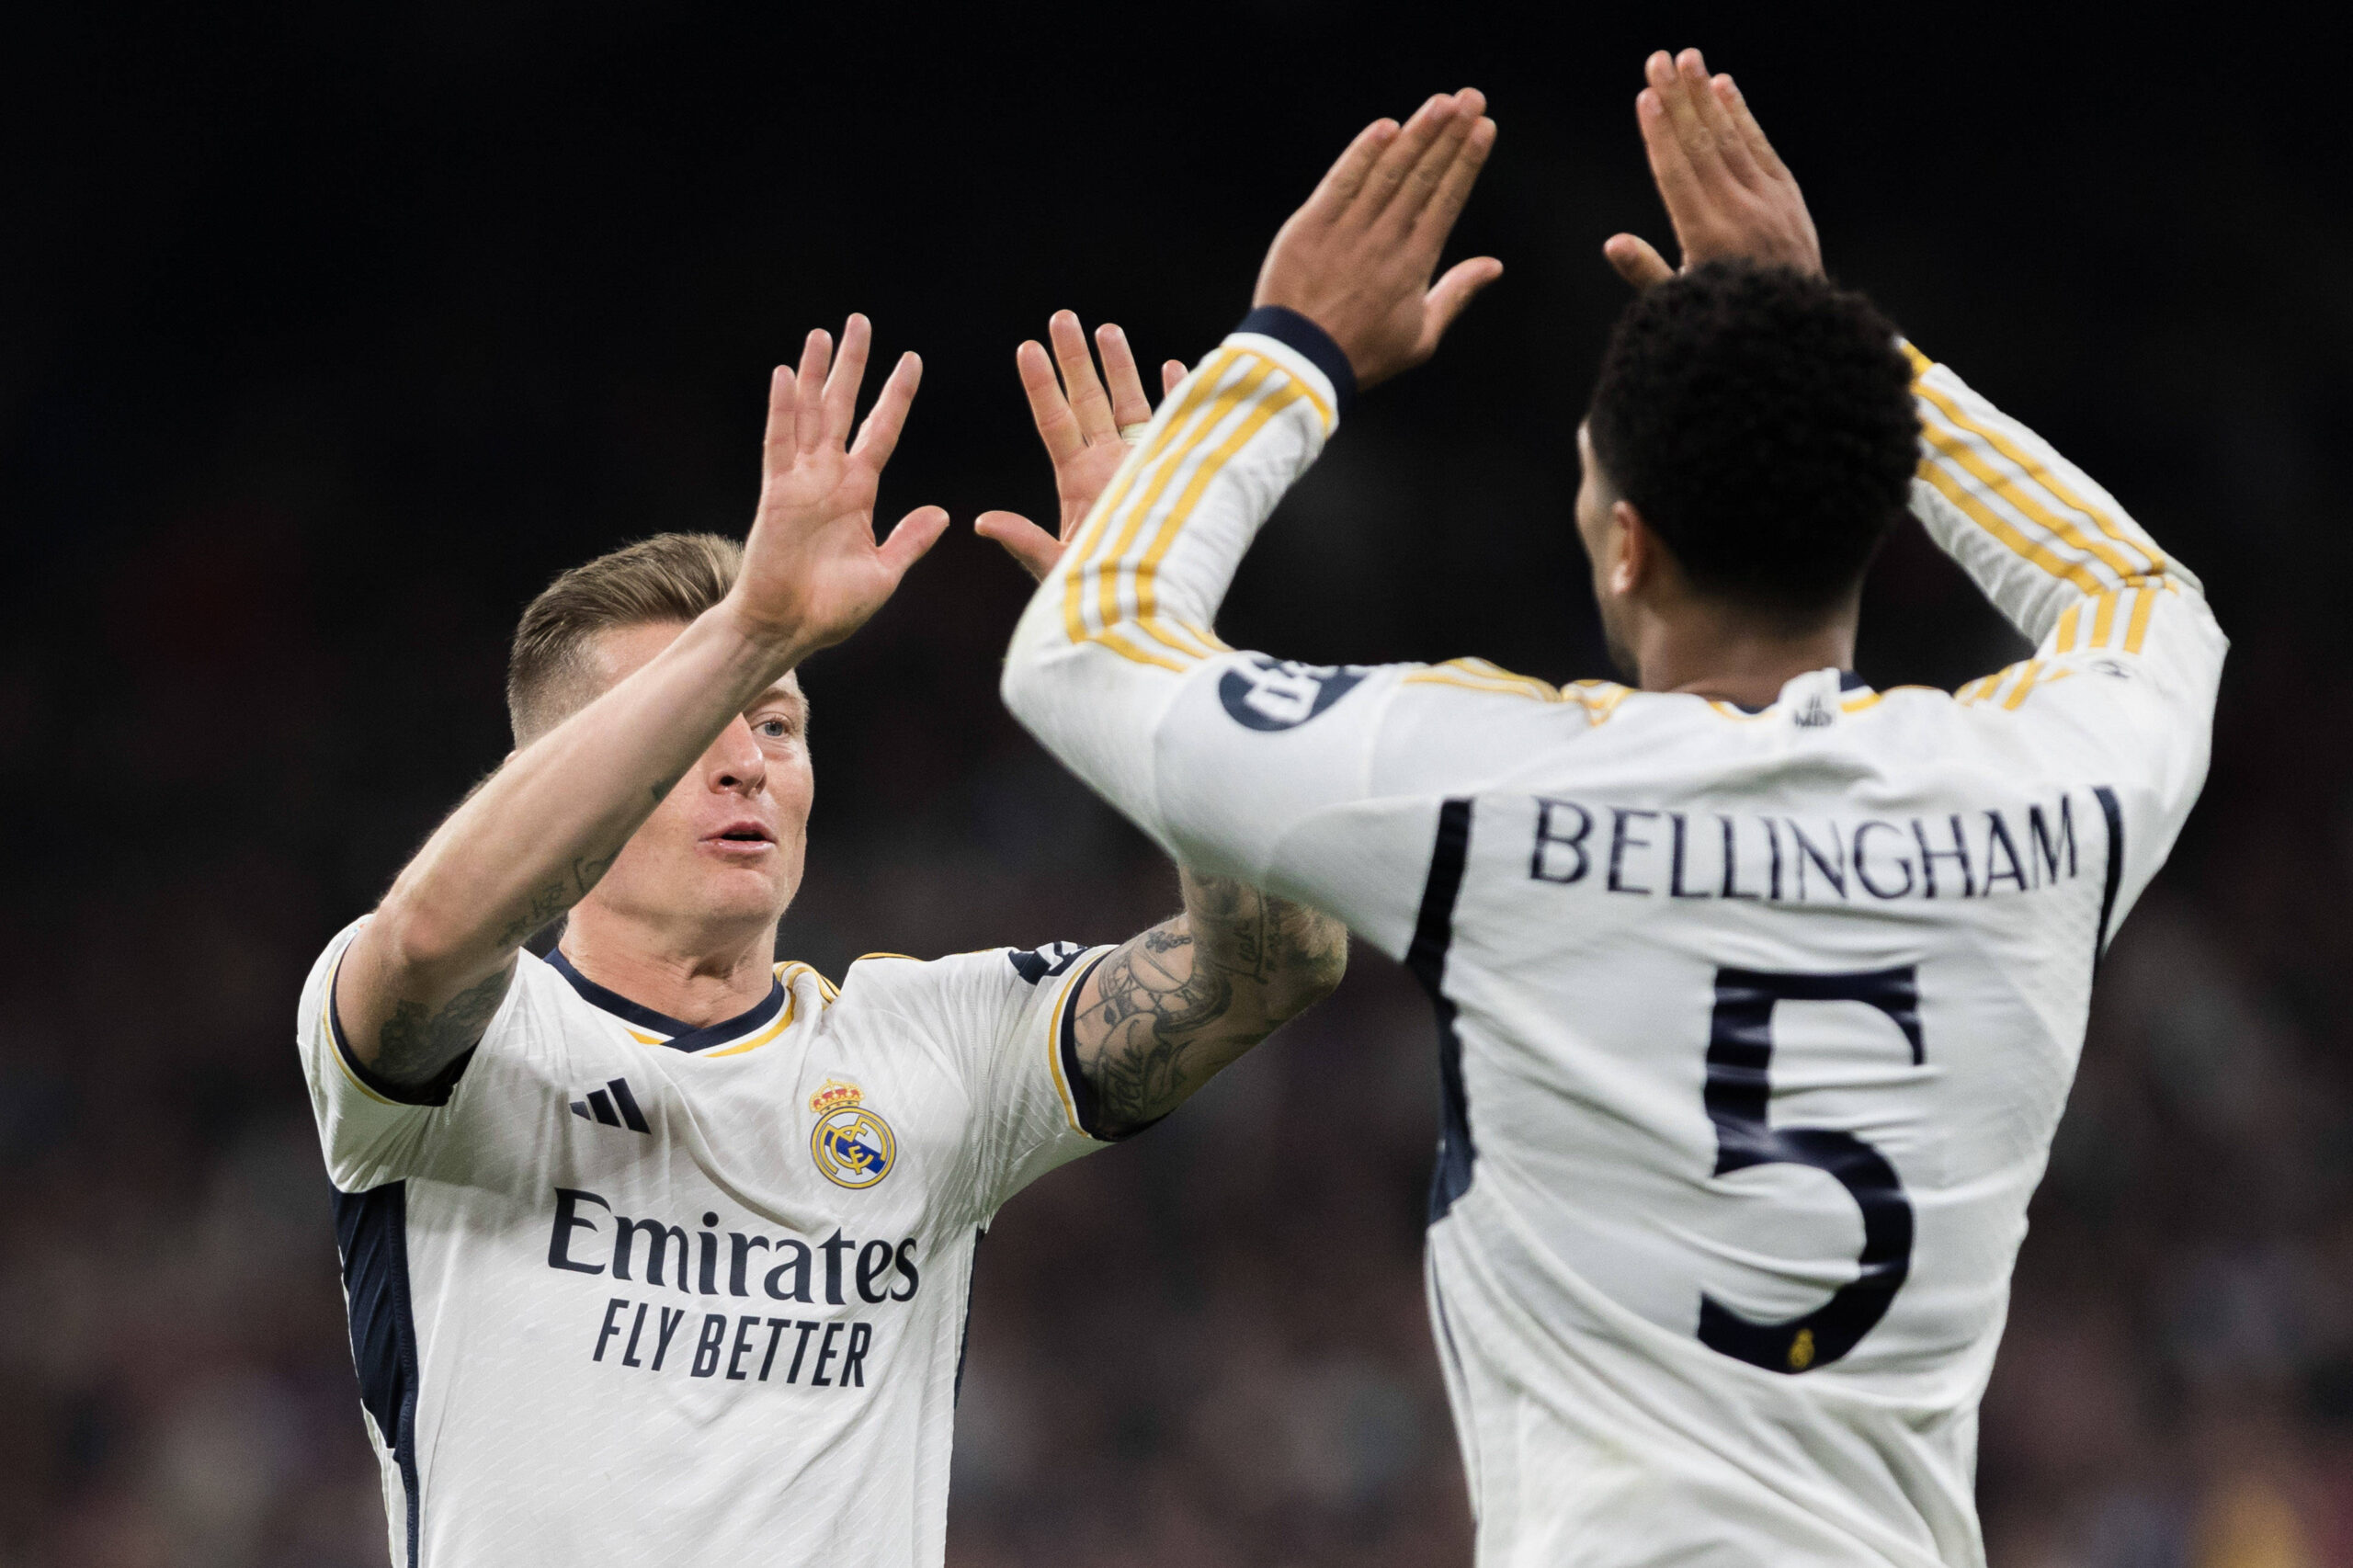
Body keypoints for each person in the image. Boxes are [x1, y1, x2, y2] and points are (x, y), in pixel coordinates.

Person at [1000, 58, 2222, 1568]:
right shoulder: (2051, 796)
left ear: (1625, 546)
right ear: (1877, 514)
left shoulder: (1496, 792)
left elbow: (1088, 642)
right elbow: (2136, 595)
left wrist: (1287, 354)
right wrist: (1829, 351)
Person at [297, 315, 1347, 1567]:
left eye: (781, 723)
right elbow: (424, 936)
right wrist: (753, 628)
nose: (747, 760)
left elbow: (1280, 960)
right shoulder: (458, 1055)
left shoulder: (934, 1047)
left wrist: (1161, 651)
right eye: (695, 723)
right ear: (573, 770)